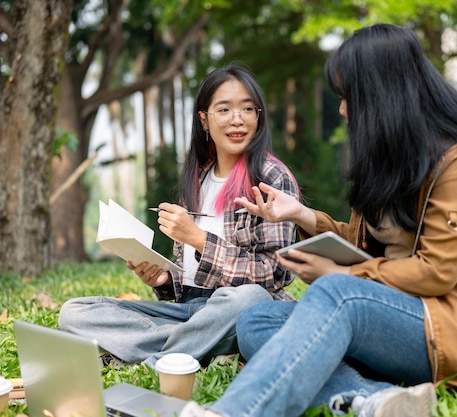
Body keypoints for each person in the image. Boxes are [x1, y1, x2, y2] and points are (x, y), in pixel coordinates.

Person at [179, 23, 457, 417]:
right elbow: (358, 244)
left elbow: (437, 272)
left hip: (453, 331)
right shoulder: (386, 158)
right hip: (387, 321)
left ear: (382, 93)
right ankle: (369, 398)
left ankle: (230, 412)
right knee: (257, 320)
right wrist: (301, 214)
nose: (341, 109)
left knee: (336, 293)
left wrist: (337, 277)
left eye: (347, 96)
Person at [58, 64, 300, 370]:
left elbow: (274, 274)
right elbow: (187, 287)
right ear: (204, 119)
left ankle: (154, 359)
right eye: (224, 110)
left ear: (258, 116)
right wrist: (163, 279)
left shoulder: (271, 178)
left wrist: (199, 239)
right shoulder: (197, 180)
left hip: (239, 310)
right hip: (192, 316)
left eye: (248, 109)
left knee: (250, 299)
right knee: (74, 311)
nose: (237, 120)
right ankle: (198, 348)